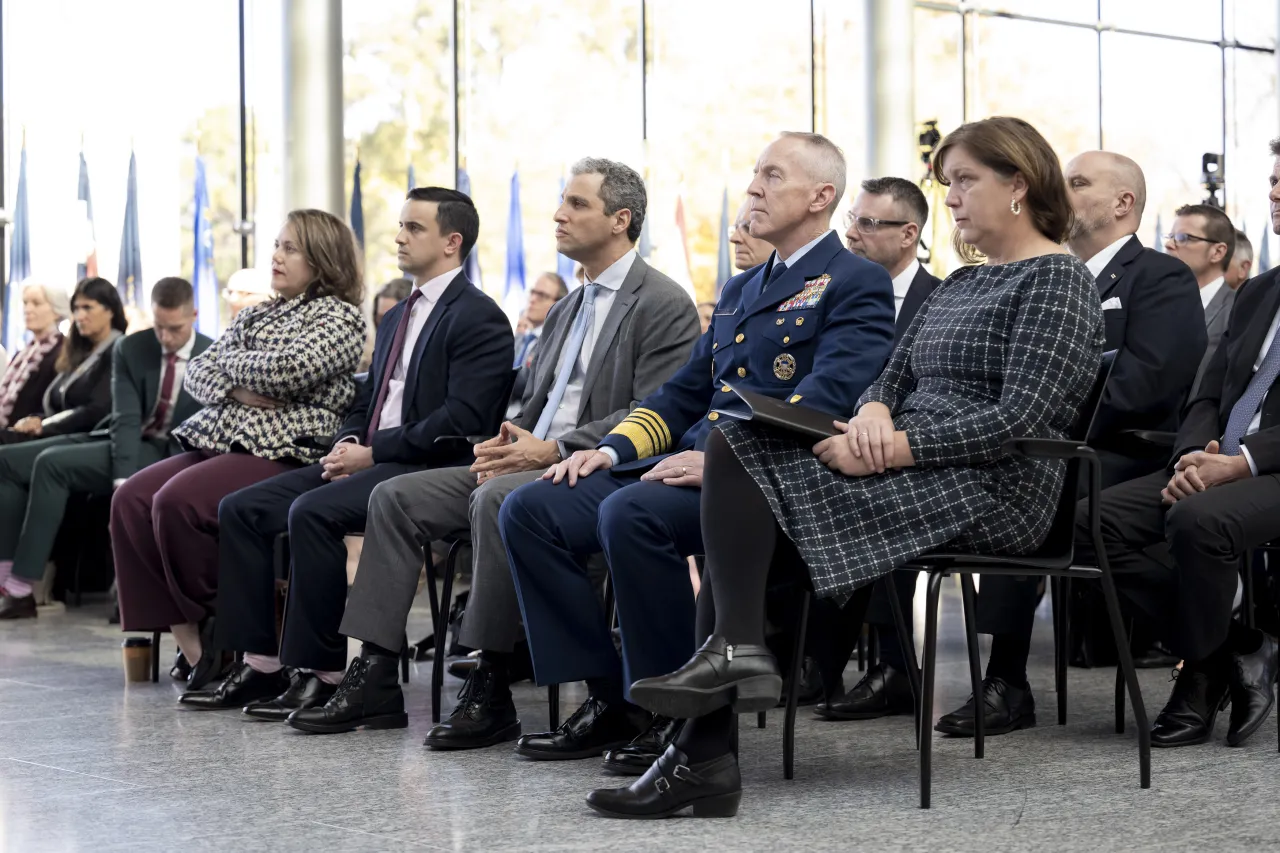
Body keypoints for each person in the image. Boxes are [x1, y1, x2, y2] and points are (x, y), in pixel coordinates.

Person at [585, 117, 1104, 819]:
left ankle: (704, 745)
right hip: (911, 465)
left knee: (743, 492)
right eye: (946, 181)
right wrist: (877, 416)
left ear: (1018, 185)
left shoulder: (1057, 280)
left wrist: (897, 446)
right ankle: (726, 681)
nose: (949, 197)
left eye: (964, 180)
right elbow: (887, 378)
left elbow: (1023, 418)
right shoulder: (959, 285)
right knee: (739, 441)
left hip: (994, 486)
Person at [499, 131, 895, 772]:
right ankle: (613, 698)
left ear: (822, 196)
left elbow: (826, 400)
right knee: (532, 508)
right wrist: (609, 448)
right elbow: (681, 393)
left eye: (773, 175)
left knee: (631, 514)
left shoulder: (856, 281)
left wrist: (714, 456)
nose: (754, 188)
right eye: (755, 174)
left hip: (770, 480)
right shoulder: (742, 289)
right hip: (688, 465)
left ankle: (669, 714)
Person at [285, 157, 700, 736]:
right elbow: (531, 403)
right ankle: (376, 673)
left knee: (496, 499)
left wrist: (550, 450)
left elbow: (655, 411)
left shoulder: (662, 302)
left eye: (577, 204)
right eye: (561, 200)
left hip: (595, 465)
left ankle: (491, 680)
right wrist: (504, 444)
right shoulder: (566, 308)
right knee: (394, 497)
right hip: (528, 460)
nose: (558, 213)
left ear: (620, 220)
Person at [192, 188, 514, 717]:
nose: (399, 237)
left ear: (453, 242)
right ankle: (262, 666)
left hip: (424, 465)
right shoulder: (395, 316)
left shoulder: (478, 317)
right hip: (369, 457)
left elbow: (463, 421)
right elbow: (366, 398)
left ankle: (323, 672)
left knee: (312, 513)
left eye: (414, 228)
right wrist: (347, 440)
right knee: (243, 510)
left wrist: (374, 451)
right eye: (401, 226)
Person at [934, 151, 1208, 737]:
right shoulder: (1043, 273)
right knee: (1010, 476)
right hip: (1041, 445)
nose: (1059, 188)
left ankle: (1006, 677)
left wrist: (1043, 409)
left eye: (1078, 182)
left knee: (1031, 484)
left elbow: (1149, 380)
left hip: (1124, 448)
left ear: (1123, 204)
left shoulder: (1158, 276)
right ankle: (995, 673)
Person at [1074, 139, 1280, 750]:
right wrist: (1196, 451)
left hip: (1265, 466)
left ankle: (1195, 681)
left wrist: (1239, 462)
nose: (1275, 192)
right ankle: (1235, 648)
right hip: (1217, 460)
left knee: (1197, 520)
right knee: (1089, 520)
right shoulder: (1260, 292)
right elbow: (1207, 392)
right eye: (1272, 179)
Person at [111, 209, 366, 693]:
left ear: (323, 258)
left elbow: (288, 371)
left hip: (286, 443)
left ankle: (229, 629)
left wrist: (230, 367)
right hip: (222, 434)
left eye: (291, 248)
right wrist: (235, 386)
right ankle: (197, 642)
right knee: (130, 501)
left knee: (176, 503)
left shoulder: (341, 317)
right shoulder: (255, 313)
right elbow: (198, 374)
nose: (276, 255)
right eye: (276, 244)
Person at [0, 278, 211, 619]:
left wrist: (126, 486)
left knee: (52, 463)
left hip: (173, 450)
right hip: (124, 438)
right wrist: (121, 481)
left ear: (195, 316)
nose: (166, 338)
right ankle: (12, 577)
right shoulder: (133, 348)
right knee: (8, 461)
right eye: (159, 327)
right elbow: (125, 418)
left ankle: (23, 585)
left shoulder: (211, 352)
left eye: (175, 329)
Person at [817, 175, 943, 722]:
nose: (852, 234)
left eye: (869, 223)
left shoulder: (942, 299)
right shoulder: (825, 291)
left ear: (908, 233)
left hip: (911, 447)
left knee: (877, 489)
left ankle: (891, 667)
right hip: (833, 432)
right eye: (852, 219)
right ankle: (802, 657)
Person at [0, 277, 126, 448]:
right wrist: (38, 419)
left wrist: (43, 424)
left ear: (110, 310)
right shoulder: (77, 352)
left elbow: (97, 409)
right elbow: (55, 405)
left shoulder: (119, 350)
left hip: (78, 441)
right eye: (76, 309)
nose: (80, 316)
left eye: (87, 308)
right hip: (49, 434)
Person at [1168, 203, 1235, 397]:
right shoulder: (1161, 307)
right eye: (1170, 236)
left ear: (1218, 252)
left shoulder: (1238, 310)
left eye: (1183, 238)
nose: (1170, 244)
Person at [0, 283, 71, 431]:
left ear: (56, 310)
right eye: (25, 303)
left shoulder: (64, 352)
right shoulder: (22, 355)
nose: (28, 309)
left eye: (36, 303)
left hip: (26, 438)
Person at [509, 273, 569, 417]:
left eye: (542, 295)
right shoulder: (522, 337)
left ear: (559, 304)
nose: (533, 300)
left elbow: (522, 384)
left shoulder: (555, 342)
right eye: (533, 292)